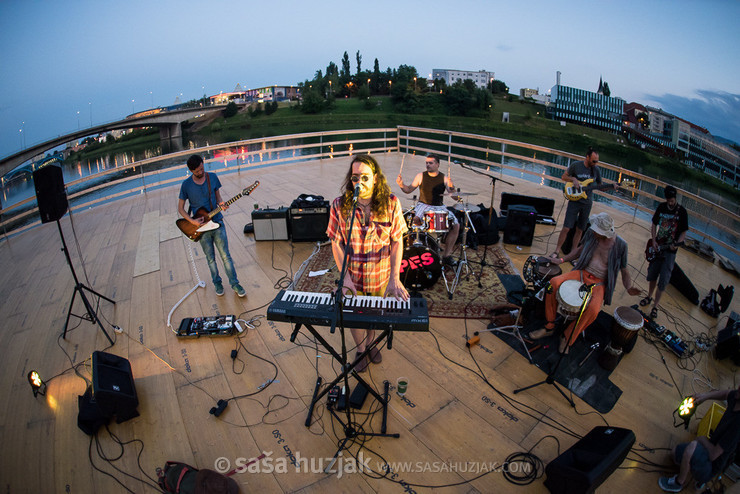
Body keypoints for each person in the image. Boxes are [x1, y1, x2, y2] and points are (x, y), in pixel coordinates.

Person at [327, 154, 409, 372]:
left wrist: (395, 277)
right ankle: (361, 349)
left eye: (365, 177)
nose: (359, 183)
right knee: (355, 316)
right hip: (353, 276)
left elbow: (397, 240)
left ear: (375, 178)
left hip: (380, 275)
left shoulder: (391, 203)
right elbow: (335, 243)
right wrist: (345, 279)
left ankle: (371, 343)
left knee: (374, 315)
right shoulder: (339, 205)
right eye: (355, 178)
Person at [530, 212, 641, 353]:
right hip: (582, 272)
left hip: (599, 282)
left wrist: (629, 287)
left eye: (597, 230)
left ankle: (567, 337)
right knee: (553, 283)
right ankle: (549, 326)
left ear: (605, 233)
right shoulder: (591, 234)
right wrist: (562, 260)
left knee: (593, 310)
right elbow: (579, 250)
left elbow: (624, 270)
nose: (594, 231)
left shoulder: (621, 245)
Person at [178, 154, 246, 298]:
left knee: (226, 256)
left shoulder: (212, 178)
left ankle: (235, 284)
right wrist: (193, 221)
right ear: (191, 171)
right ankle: (217, 283)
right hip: (201, 228)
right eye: (197, 171)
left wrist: (222, 204)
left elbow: (218, 197)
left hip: (218, 222)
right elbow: (181, 209)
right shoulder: (186, 185)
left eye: (201, 169)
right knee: (210, 259)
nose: (200, 172)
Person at [659, 386, 740, 492]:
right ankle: (695, 468)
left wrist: (702, 439)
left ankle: (678, 483)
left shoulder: (737, 426)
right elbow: (726, 394)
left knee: (692, 447)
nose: (738, 388)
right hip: (710, 447)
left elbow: (713, 455)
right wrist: (705, 396)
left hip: (712, 466)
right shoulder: (736, 397)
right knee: (674, 453)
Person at [396, 154, 460, 266]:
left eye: (430, 163)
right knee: (415, 219)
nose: (428, 165)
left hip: (439, 206)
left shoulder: (444, 178)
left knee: (456, 225)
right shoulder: (421, 176)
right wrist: (401, 185)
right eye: (427, 163)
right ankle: (416, 249)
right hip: (423, 204)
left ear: (437, 164)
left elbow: (455, 197)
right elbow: (408, 190)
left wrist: (452, 188)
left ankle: (446, 255)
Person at [551, 147, 615, 260]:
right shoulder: (576, 165)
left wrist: (612, 187)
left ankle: (573, 253)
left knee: (580, 229)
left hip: (587, 202)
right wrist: (573, 179)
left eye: (597, 161)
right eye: (594, 161)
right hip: (574, 201)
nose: (595, 163)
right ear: (587, 157)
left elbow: (600, 186)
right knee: (566, 227)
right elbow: (563, 176)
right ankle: (556, 251)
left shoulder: (596, 170)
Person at [640, 185, 688, 320]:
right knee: (653, 274)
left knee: (664, 279)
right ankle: (649, 297)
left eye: (672, 200)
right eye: (668, 200)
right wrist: (654, 241)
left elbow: (683, 232)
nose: (670, 203)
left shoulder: (682, 212)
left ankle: (655, 306)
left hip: (670, 252)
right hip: (658, 246)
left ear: (675, 198)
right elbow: (654, 223)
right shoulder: (661, 207)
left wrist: (677, 245)